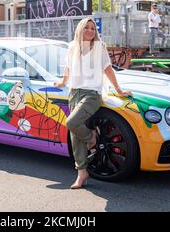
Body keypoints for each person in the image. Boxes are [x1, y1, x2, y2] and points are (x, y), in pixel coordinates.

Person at [54, 17, 132, 189]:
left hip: (92, 94)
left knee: (72, 122)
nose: (90, 31)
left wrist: (118, 89)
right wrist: (62, 82)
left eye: (92, 28)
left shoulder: (99, 47)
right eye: (86, 27)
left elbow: (108, 69)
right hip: (74, 92)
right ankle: (82, 172)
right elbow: (68, 67)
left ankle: (91, 137)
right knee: (75, 135)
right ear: (80, 29)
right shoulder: (72, 47)